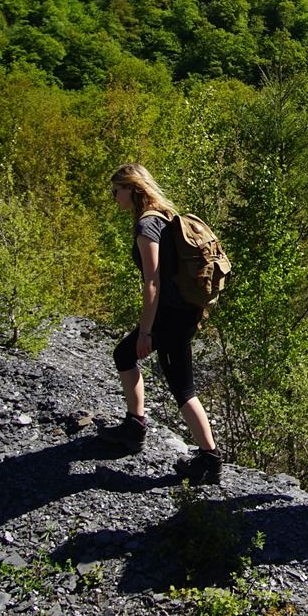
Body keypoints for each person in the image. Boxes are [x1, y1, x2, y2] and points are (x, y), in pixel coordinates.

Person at [96, 163, 222, 484]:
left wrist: (146, 332)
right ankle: (135, 425)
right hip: (183, 312)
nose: (114, 197)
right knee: (125, 355)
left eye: (116, 191)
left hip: (170, 316)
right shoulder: (165, 216)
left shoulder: (146, 226)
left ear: (132, 189)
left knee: (182, 387)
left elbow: (152, 283)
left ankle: (209, 459)